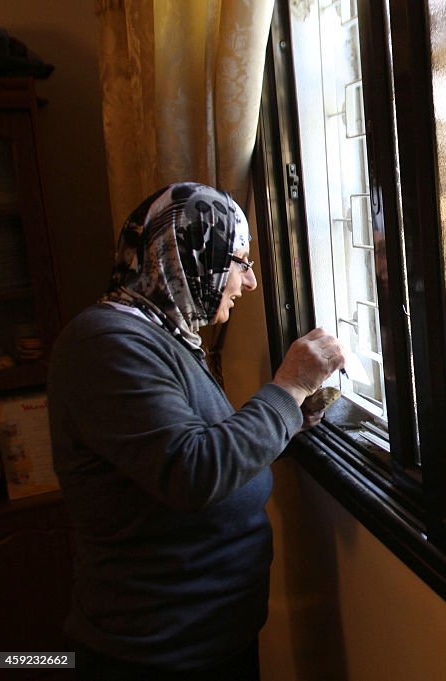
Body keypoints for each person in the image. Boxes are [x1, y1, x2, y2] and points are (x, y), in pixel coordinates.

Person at [48, 182, 343, 680]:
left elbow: (202, 441)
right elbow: (193, 471)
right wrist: (289, 386)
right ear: (186, 253)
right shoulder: (106, 345)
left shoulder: (164, 334)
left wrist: (291, 420)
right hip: (151, 653)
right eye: (240, 261)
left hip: (203, 637)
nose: (248, 282)